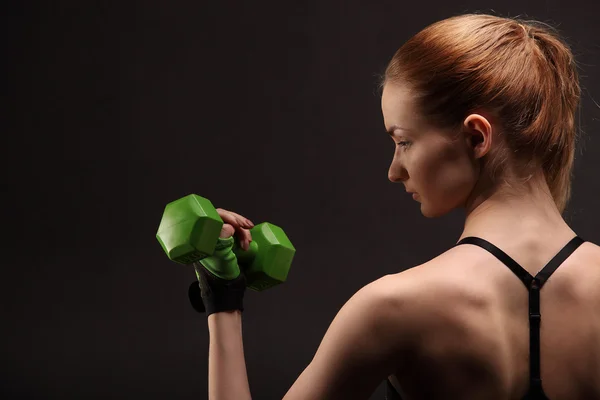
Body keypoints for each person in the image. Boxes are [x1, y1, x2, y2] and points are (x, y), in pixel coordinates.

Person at [191, 13, 600, 400]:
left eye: (403, 141)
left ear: (477, 138)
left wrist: (222, 298)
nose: (394, 171)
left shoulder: (392, 307)